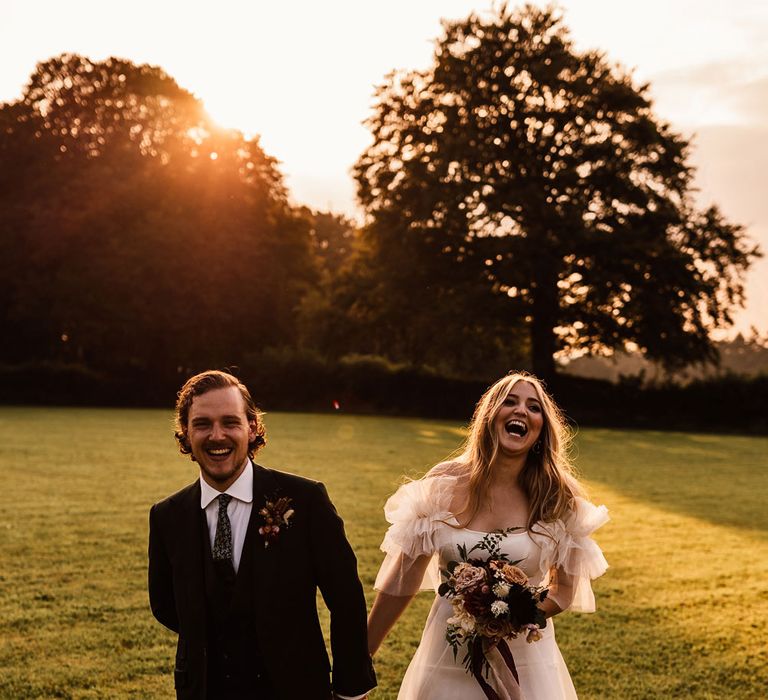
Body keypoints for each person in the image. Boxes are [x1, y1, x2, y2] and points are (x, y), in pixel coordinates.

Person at [367, 372, 609, 700]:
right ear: (489, 416)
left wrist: (511, 613)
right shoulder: (444, 483)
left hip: (526, 663)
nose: (520, 411)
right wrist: (361, 656)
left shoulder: (558, 496)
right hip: (447, 656)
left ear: (541, 428)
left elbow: (563, 592)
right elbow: (401, 582)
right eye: (509, 402)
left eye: (533, 407)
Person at [148, 370, 376, 700]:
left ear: (252, 427)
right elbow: (165, 605)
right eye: (202, 424)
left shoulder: (305, 500)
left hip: (295, 687)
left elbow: (346, 599)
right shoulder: (167, 515)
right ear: (185, 430)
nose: (216, 435)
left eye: (230, 422)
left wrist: (350, 688)